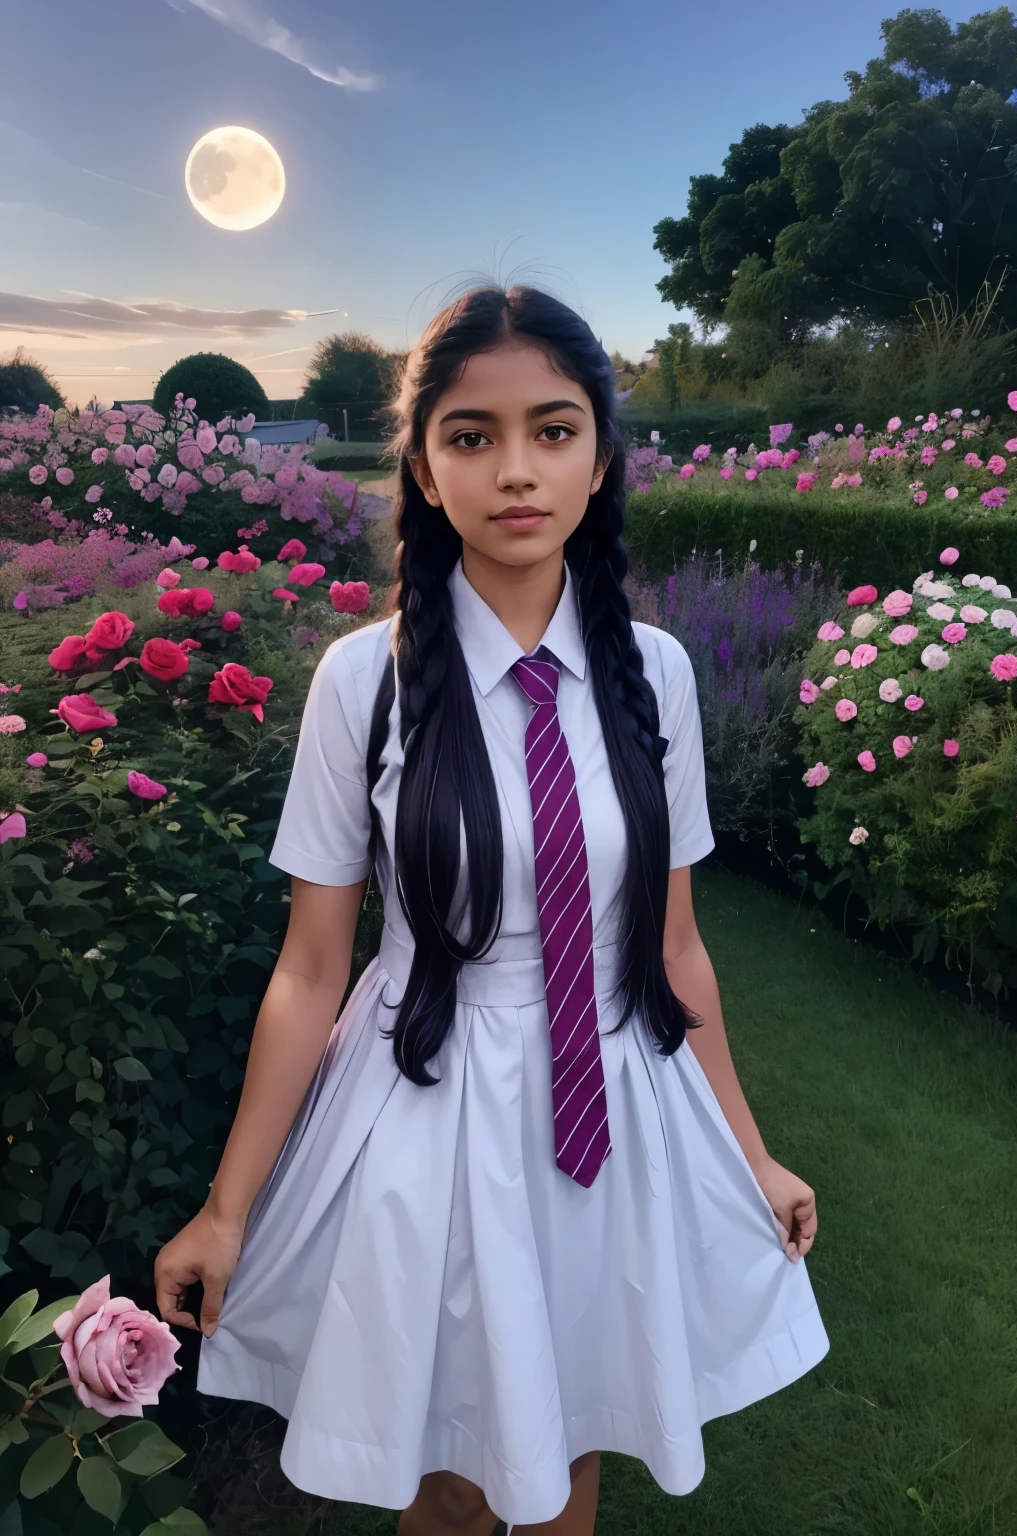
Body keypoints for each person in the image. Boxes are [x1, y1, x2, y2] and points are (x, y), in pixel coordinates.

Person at [154, 283, 828, 1536]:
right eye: (471, 436)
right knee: (456, 1486)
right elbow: (312, 969)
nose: (515, 471)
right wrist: (227, 1205)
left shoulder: (657, 672)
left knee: (569, 1452)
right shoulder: (365, 681)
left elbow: (673, 944)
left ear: (601, 456)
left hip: (612, 1109)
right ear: (420, 463)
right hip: (432, 1106)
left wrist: (752, 1149)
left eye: (552, 430)